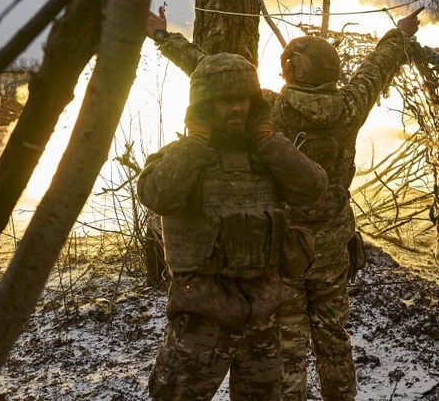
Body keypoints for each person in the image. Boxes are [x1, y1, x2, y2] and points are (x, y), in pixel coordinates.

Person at [146, 6, 420, 400]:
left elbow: (209, 70)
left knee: (288, 344)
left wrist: (163, 37)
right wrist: (399, 33)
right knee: (334, 335)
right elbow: (377, 68)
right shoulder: (350, 107)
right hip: (332, 248)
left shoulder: (271, 108)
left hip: (282, 248)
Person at [138, 53, 327, 400]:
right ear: (204, 105)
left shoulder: (268, 155)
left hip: (263, 316)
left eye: (242, 99)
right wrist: (195, 143)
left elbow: (313, 189)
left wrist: (269, 142)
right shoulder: (184, 155)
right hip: (202, 318)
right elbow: (156, 194)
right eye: (225, 100)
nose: (237, 108)